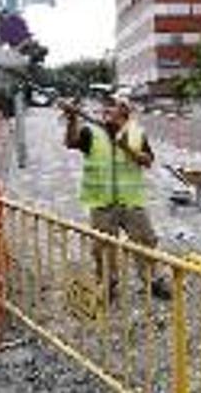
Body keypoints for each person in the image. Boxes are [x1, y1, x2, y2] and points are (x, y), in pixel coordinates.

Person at [61, 94, 171, 300]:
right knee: (102, 248)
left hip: (131, 201)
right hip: (102, 203)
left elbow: (148, 161)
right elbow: (70, 142)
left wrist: (128, 149)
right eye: (105, 108)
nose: (107, 111)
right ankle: (108, 283)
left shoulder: (135, 133)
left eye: (113, 107)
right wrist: (72, 119)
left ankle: (153, 281)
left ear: (124, 112)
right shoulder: (91, 132)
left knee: (146, 242)